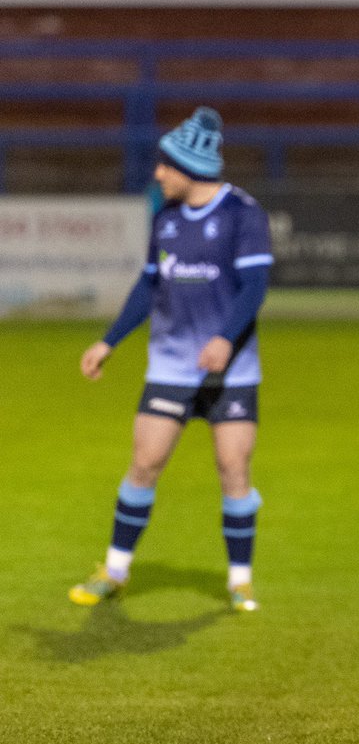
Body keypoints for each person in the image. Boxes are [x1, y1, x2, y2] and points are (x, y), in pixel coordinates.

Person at [69, 107, 273, 613]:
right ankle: (114, 570)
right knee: (145, 462)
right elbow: (148, 284)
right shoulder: (165, 217)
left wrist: (226, 339)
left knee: (233, 468)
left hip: (232, 371)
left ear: (189, 168)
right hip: (170, 366)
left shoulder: (243, 215)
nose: (158, 174)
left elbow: (254, 288)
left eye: (165, 165)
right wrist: (109, 341)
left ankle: (240, 580)